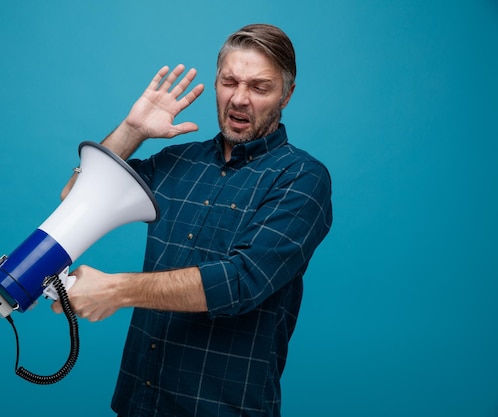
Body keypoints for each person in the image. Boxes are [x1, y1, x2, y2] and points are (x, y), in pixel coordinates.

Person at [53, 23, 333, 417]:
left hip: (222, 408)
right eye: (229, 81)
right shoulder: (175, 162)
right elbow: (77, 198)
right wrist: (131, 131)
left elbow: (241, 282)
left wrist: (115, 290)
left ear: (287, 94)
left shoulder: (302, 178)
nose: (239, 99)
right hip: (138, 402)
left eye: (259, 87)